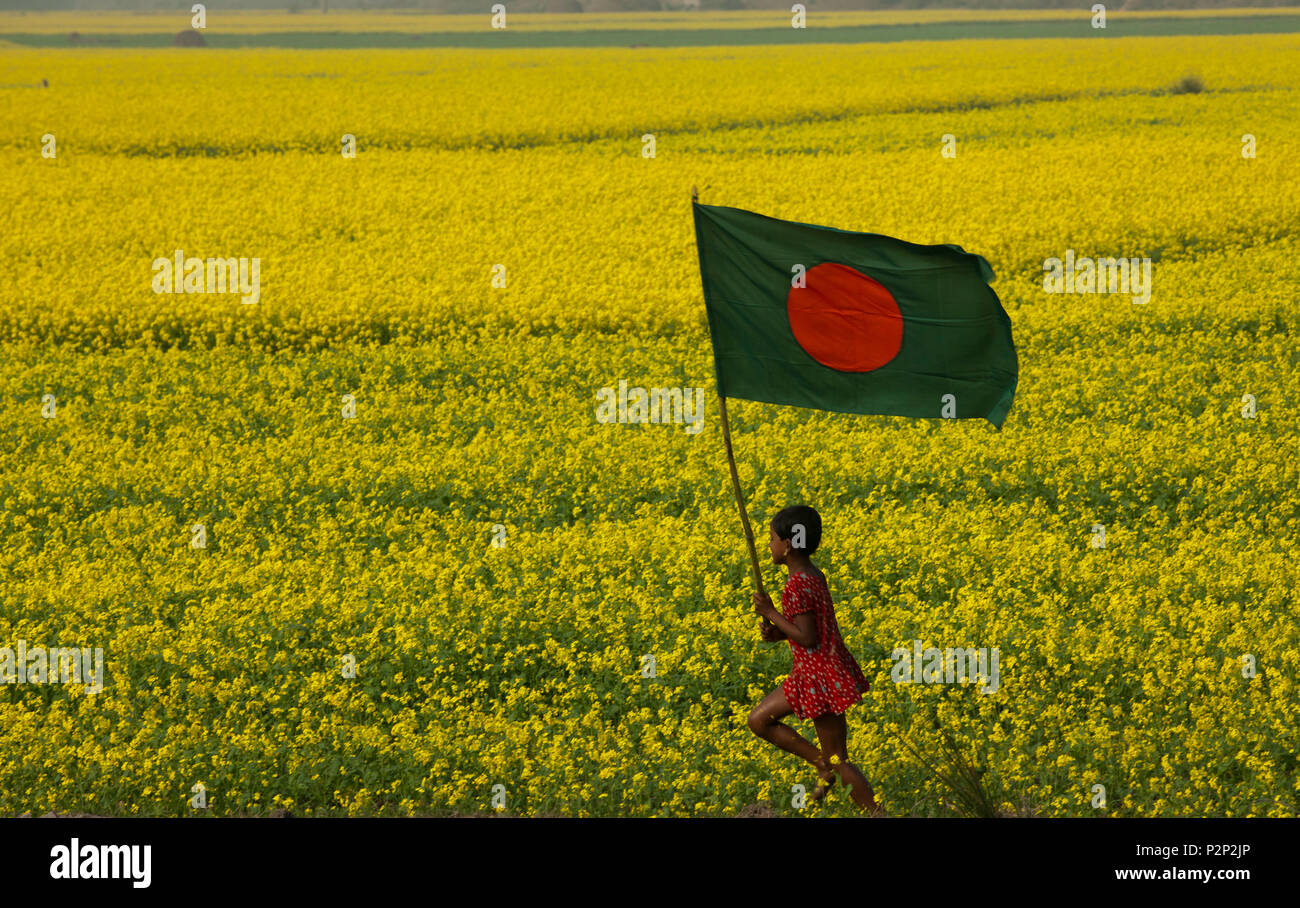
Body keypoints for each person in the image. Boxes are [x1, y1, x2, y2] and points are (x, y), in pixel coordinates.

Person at [747, 505, 882, 813]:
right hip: (810, 673)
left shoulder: (796, 585)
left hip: (820, 678)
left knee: (839, 760)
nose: (769, 545)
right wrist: (779, 632)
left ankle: (877, 813)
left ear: (789, 544)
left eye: (772, 538)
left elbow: (807, 637)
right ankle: (821, 765)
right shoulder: (811, 573)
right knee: (758, 720)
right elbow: (810, 630)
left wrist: (770, 614)